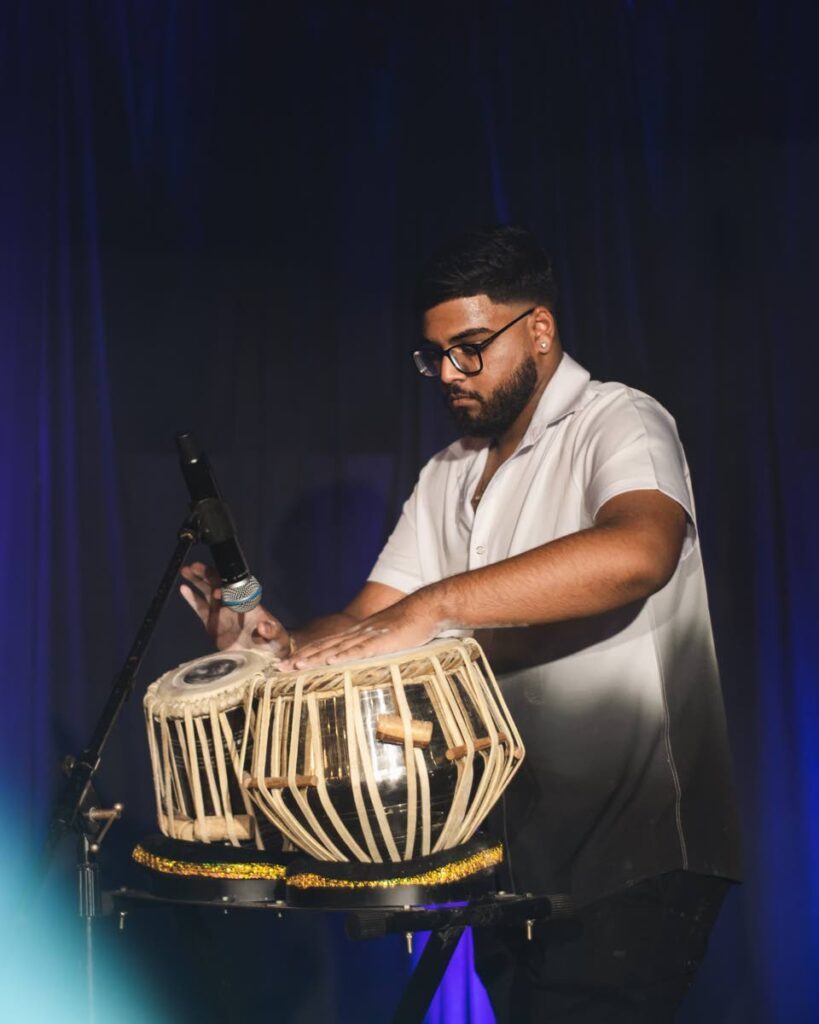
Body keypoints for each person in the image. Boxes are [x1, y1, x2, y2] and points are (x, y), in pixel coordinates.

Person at [181, 225, 742, 1022]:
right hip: (508, 858)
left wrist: (438, 604)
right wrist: (271, 650)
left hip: (636, 849)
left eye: (471, 348)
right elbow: (366, 621)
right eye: (434, 355)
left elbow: (639, 552)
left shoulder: (618, 419)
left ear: (538, 330)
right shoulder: (448, 472)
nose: (448, 373)